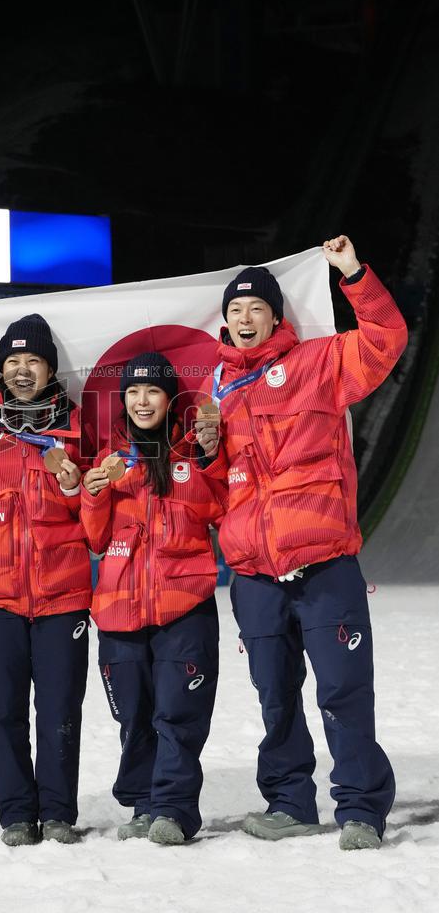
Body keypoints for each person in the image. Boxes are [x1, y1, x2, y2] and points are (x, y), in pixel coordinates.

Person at [195, 236, 407, 850]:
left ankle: (362, 809)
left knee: (344, 690)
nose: (243, 317)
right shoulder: (215, 394)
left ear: (275, 317)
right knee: (275, 695)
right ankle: (289, 802)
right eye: (234, 309)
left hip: (324, 564)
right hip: (254, 574)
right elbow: (212, 495)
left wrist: (355, 274)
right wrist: (206, 451)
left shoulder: (318, 363)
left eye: (255, 307)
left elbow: (385, 339)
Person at [81, 352, 227, 845]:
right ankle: (144, 803)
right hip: (120, 608)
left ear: (169, 399)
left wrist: (208, 457)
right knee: (135, 715)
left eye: (153, 392)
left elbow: (218, 507)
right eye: (134, 392)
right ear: (123, 399)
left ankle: (174, 809)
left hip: (183, 604)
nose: (142, 401)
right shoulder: (110, 457)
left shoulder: (189, 454)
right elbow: (95, 538)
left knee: (177, 714)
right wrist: (94, 494)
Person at [0, 313, 91, 846]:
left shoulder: (82, 427)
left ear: (49, 369)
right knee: (2, 710)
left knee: (60, 708)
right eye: (12, 360)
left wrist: (74, 486)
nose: (21, 369)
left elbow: (103, 510)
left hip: (63, 595)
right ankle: (16, 812)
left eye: (32, 360)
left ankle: (58, 810)